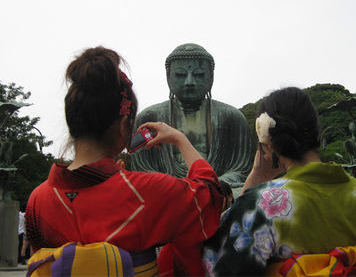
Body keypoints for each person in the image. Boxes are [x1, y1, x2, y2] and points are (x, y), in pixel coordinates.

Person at [25, 46, 223, 276]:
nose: (189, 82)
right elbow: (210, 196)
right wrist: (181, 140)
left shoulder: (37, 201)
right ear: (122, 127)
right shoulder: (147, 191)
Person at [203, 87, 356, 276]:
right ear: (317, 131)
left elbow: (217, 265)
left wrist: (257, 177)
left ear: (266, 140)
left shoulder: (261, 204)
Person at [131, 43, 252, 187]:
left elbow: (239, 171)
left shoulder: (232, 118)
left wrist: (209, 185)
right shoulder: (149, 118)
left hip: (218, 189)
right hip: (168, 191)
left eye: (199, 74)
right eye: (180, 75)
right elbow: (143, 171)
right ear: (168, 78)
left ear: (211, 77)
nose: (189, 82)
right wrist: (179, 186)